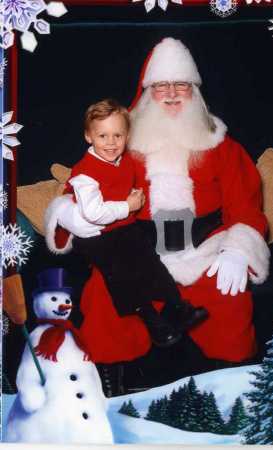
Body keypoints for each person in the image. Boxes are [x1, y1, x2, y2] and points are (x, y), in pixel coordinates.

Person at [45, 37, 270, 384]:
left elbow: (246, 203)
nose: (171, 94)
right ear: (148, 92)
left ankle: (234, 391)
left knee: (229, 297)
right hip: (139, 249)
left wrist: (240, 250)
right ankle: (110, 390)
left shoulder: (223, 146)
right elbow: (85, 182)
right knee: (105, 296)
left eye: (181, 84)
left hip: (204, 248)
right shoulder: (121, 144)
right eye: (161, 85)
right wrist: (68, 214)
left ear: (195, 91)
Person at [50, 98, 208, 349]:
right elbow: (93, 213)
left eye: (117, 135)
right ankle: (151, 320)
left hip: (122, 226)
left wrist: (135, 201)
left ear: (127, 136)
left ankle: (176, 306)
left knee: (149, 257)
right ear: (89, 137)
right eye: (103, 136)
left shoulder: (124, 161)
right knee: (122, 270)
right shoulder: (85, 174)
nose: (111, 143)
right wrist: (128, 206)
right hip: (94, 234)